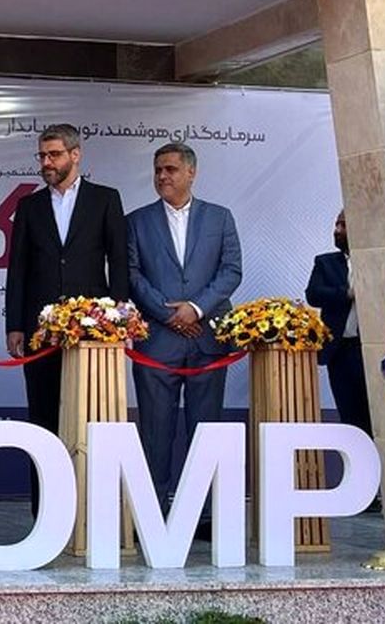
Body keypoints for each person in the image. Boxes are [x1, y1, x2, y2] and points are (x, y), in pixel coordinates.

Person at [4, 123, 128, 514]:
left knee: (91, 418)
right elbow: (17, 268)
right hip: (40, 332)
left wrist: (118, 319)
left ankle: (92, 508)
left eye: (54, 154)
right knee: (43, 418)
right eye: (42, 155)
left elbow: (119, 264)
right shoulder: (29, 206)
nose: (46, 162)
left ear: (76, 155)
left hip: (92, 333)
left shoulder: (105, 199)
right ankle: (45, 511)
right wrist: (15, 325)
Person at [126, 142, 242, 520]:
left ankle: (204, 516)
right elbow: (131, 275)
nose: (162, 176)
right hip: (157, 343)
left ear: (192, 172)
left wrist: (195, 309)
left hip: (208, 341)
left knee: (206, 431)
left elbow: (231, 271)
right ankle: (153, 513)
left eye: (171, 169)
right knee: (155, 432)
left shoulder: (220, 218)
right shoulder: (136, 221)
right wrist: (170, 314)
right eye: (158, 169)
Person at [305, 210, 373, 439]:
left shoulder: (379, 261)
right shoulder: (325, 262)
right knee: (350, 415)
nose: (337, 230)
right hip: (341, 351)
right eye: (336, 225)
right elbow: (313, 294)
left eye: (343, 225)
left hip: (373, 350)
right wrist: (347, 293)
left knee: (376, 413)